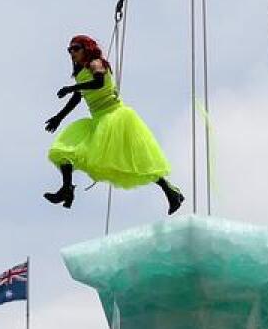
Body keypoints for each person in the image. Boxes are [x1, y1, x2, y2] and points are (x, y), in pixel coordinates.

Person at [44, 35, 184, 214]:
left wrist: (70, 88)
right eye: (69, 50)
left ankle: (170, 192)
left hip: (115, 117)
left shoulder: (95, 63)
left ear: (86, 48)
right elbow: (78, 97)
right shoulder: (80, 74)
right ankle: (67, 189)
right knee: (63, 150)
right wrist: (59, 117)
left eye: (76, 48)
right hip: (97, 120)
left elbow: (98, 82)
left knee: (137, 161)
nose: (71, 53)